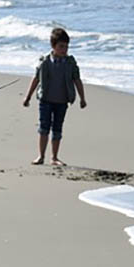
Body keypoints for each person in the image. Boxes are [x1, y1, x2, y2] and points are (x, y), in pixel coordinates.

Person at [21, 27, 87, 165]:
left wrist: (82, 98)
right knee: (44, 127)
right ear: (53, 46)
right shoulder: (45, 62)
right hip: (45, 100)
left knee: (57, 129)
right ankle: (41, 156)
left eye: (66, 47)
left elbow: (77, 80)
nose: (64, 50)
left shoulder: (70, 63)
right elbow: (36, 79)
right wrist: (27, 97)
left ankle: (54, 157)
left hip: (62, 101)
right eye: (61, 46)